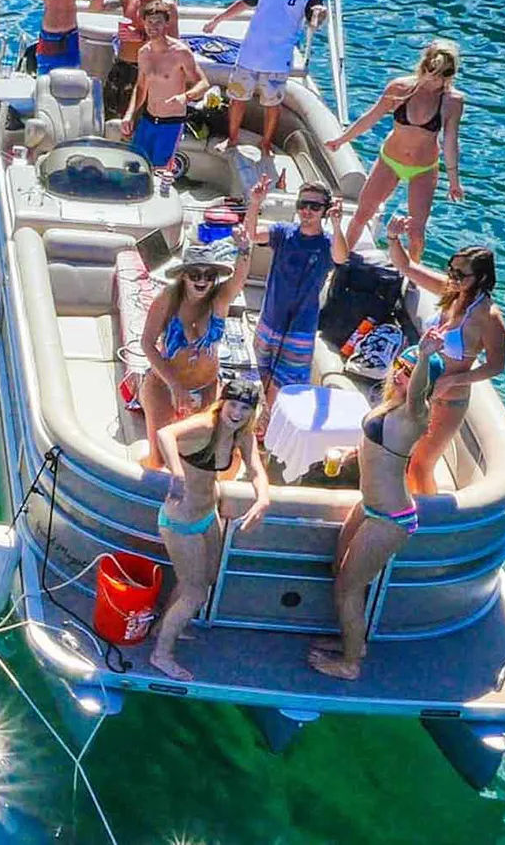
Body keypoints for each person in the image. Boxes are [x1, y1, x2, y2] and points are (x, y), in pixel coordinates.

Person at [308, 341, 439, 681]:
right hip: (368, 505)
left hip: (390, 518)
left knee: (348, 589)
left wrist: (425, 356)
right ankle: (352, 641)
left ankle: (351, 663)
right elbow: (376, 447)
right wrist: (349, 454)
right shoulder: (389, 404)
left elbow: (417, 393)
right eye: (400, 366)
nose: (401, 374)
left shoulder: (416, 414)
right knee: (339, 571)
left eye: (410, 372)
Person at [150, 380, 272, 681]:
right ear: (222, 403)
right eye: (233, 405)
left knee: (206, 578)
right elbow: (165, 434)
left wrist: (263, 498)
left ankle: (163, 627)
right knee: (195, 594)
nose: (237, 413)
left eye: (245, 408)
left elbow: (256, 469)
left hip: (206, 514)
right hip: (181, 521)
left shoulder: (241, 434)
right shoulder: (206, 425)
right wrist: (177, 474)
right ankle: (161, 655)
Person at [389, 227, 505, 497]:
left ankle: (425, 515)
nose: (452, 278)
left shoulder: (488, 317)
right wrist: (394, 237)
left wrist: (453, 380)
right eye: (451, 270)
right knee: (399, 455)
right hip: (415, 388)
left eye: (460, 274)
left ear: (481, 278)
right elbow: (406, 266)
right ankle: (400, 505)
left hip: (446, 400)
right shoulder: (450, 292)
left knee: (420, 466)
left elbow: (497, 365)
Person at [327, 40, 467, 262]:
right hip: (390, 161)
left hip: (424, 168)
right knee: (362, 214)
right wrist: (342, 140)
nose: (438, 79)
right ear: (424, 66)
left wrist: (454, 182)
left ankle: (411, 273)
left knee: (416, 232)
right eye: (434, 71)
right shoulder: (399, 88)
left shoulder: (453, 101)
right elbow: (371, 117)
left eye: (446, 74)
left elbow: (450, 141)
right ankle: (339, 263)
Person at [203, 0, 326, 163]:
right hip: (249, 54)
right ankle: (232, 139)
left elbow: (314, 17)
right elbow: (246, 2)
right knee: (237, 99)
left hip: (277, 59)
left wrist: (320, 15)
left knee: (272, 105)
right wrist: (217, 20)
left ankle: (266, 143)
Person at [138, 233, 253, 468]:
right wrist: (174, 385)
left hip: (207, 386)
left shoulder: (219, 300)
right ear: (183, 276)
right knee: (158, 459)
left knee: (218, 457)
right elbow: (147, 344)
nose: (202, 281)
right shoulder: (167, 299)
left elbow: (239, 279)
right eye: (195, 275)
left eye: (209, 275)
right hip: (164, 385)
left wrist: (244, 249)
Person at [242, 174, 351, 417]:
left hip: (300, 330)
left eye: (315, 206)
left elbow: (341, 257)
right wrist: (255, 202)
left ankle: (269, 425)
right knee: (258, 377)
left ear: (325, 210)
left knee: (283, 389)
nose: (307, 211)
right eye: (303, 204)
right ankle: (255, 423)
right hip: (269, 321)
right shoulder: (283, 232)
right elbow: (252, 235)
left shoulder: (328, 243)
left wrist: (336, 224)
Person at [116, 0, 208, 179]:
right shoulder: (143, 53)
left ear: (167, 23)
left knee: (159, 175)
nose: (153, 26)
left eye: (158, 22)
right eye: (149, 22)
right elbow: (141, 87)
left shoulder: (180, 52)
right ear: (143, 23)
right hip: (148, 120)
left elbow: (203, 83)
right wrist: (129, 115)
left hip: (171, 124)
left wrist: (185, 97)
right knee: (133, 167)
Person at [90, 0, 178, 123]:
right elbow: (94, 7)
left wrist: (141, 37)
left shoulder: (167, 6)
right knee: (109, 118)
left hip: (148, 70)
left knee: (137, 122)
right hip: (121, 67)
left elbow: (174, 43)